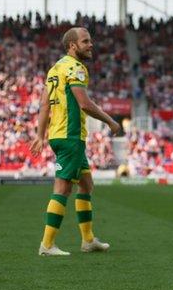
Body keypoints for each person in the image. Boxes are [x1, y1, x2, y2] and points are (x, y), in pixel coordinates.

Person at [30, 27, 121, 256]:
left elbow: (43, 105)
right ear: (72, 45)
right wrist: (111, 121)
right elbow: (85, 103)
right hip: (70, 136)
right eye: (85, 41)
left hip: (61, 135)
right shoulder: (75, 68)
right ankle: (47, 244)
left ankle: (88, 240)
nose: (91, 45)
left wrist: (41, 135)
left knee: (86, 185)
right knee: (62, 188)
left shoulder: (55, 69)